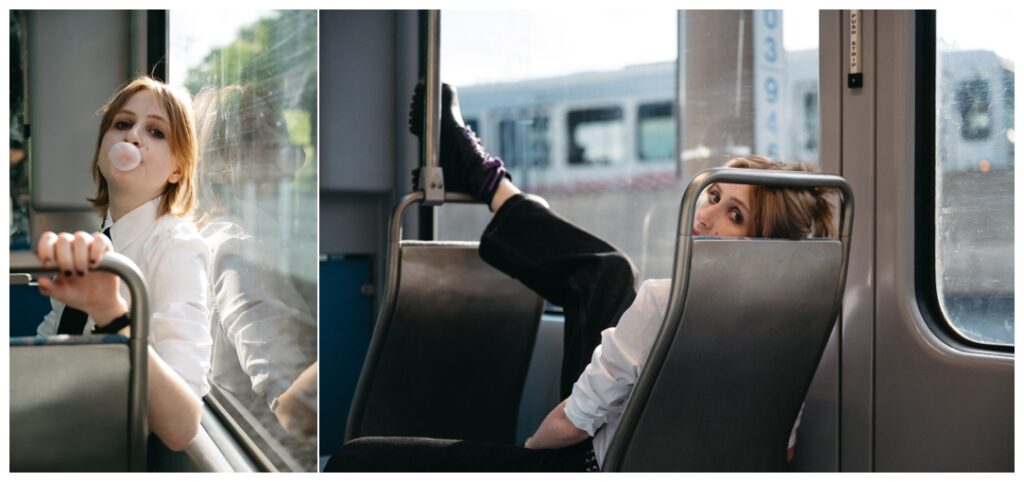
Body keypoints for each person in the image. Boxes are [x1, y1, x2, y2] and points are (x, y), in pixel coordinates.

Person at [326, 83, 837, 472]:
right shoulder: (792, 332)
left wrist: (520, 460)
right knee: (608, 274)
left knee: (354, 460)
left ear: (762, 244)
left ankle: (488, 180)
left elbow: (568, 426)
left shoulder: (666, 303)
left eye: (736, 217)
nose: (706, 216)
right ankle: (490, 182)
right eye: (713, 196)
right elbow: (782, 449)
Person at [35, 75, 211, 452]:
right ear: (102, 150)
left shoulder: (177, 249)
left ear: (178, 169)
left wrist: (111, 312)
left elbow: (181, 426)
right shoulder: (99, 239)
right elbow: (54, 337)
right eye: (122, 124)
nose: (132, 137)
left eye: (156, 132)